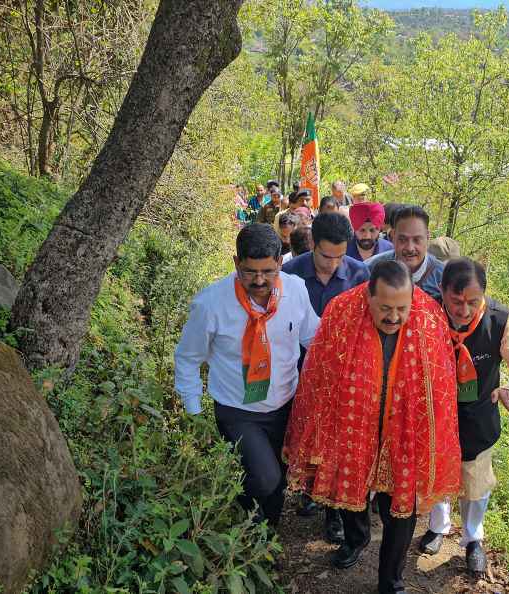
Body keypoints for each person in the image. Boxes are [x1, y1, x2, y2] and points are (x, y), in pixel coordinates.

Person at [283, 260, 461, 594]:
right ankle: (357, 538)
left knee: (401, 506)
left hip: (406, 428)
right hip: (351, 420)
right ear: (368, 296)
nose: (394, 317)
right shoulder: (341, 310)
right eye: (385, 309)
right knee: (349, 487)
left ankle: (391, 581)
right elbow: (320, 372)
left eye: (401, 309)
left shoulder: (429, 316)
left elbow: (440, 383)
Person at [174, 223, 320, 528]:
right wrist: (193, 409)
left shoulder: (295, 290)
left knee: (277, 481)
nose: (259, 280)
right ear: (236, 263)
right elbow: (188, 357)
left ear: (280, 262)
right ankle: (231, 510)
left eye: (268, 271)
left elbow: (313, 337)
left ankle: (264, 539)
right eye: (250, 272)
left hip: (285, 404)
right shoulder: (211, 304)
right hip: (237, 409)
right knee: (265, 478)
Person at [419, 258, 509, 573]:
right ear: (442, 292)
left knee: (476, 483)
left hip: (478, 416)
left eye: (473, 302)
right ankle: (438, 526)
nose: (463, 310)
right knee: (436, 474)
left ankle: (474, 538)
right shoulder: (426, 314)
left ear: (484, 295)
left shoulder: (502, 320)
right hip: (434, 415)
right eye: (456, 301)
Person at [282, 212, 371, 542]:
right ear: (312, 245)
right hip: (298, 373)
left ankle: (332, 513)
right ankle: (307, 490)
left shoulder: (361, 274)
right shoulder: (290, 273)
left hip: (342, 377)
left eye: (339, 256)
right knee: (305, 434)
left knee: (335, 444)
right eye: (325, 256)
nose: (333, 264)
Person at [365, 205, 444, 303]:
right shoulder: (369, 270)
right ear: (392, 236)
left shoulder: (443, 277)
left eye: (417, 240)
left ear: (427, 237)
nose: (410, 248)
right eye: (403, 240)